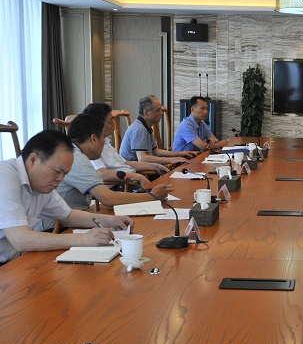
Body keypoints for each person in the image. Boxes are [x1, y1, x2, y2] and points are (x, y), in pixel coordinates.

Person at [0, 130, 132, 264]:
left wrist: (111, 221)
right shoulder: (4, 175)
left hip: (14, 261)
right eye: (57, 171)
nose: (61, 179)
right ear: (33, 160)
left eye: (65, 174)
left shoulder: (40, 184)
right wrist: (82, 239)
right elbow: (20, 239)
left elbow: (68, 216)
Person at [51, 114, 173, 219]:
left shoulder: (73, 151)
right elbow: (108, 198)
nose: (104, 144)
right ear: (93, 139)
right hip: (58, 227)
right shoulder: (76, 158)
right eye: (103, 139)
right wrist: (151, 196)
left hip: (72, 218)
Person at [82, 103, 169, 188]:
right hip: (120, 186)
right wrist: (138, 177)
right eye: (111, 121)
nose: (113, 124)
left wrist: (156, 166)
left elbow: (125, 163)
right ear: (98, 123)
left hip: (130, 180)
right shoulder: (92, 146)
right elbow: (103, 174)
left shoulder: (105, 141)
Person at [119, 95, 198, 165]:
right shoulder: (140, 129)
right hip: (132, 169)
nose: (161, 113)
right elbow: (142, 158)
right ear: (146, 113)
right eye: (158, 110)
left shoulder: (145, 126)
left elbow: (155, 151)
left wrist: (180, 153)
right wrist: (171, 160)